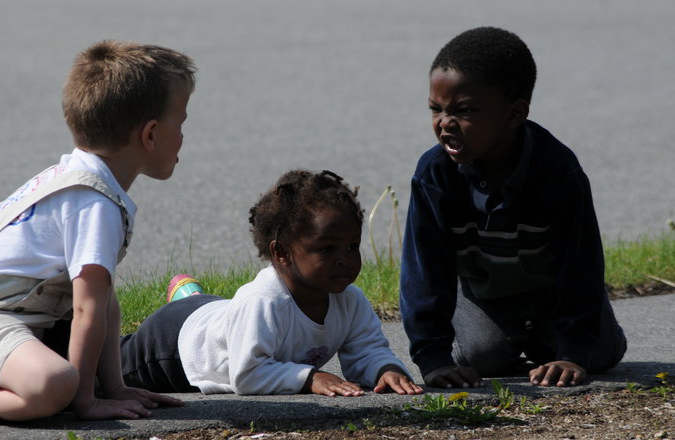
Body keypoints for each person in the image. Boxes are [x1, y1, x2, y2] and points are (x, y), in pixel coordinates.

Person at [400, 27, 627, 390]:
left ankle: (551, 339)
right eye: (436, 109)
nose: (444, 124)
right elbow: (423, 270)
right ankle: (527, 338)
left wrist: (573, 351)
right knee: (482, 356)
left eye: (465, 110)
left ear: (515, 113)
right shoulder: (435, 174)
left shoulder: (557, 170)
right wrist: (433, 358)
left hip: (551, 295)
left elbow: (581, 264)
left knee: (597, 354)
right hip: (484, 293)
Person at [0, 40, 196, 421]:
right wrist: (85, 400)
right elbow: (86, 310)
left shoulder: (79, 177)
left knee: (68, 372)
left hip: (13, 315)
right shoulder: (95, 204)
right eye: (182, 122)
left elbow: (103, 302)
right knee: (55, 384)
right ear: (150, 134)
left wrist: (114, 386)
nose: (184, 135)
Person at [121, 169, 424, 397]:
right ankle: (184, 301)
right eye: (327, 249)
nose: (344, 259)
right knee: (106, 367)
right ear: (281, 253)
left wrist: (385, 369)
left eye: (352, 246)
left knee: (224, 313)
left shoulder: (350, 300)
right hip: (172, 348)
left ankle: (190, 295)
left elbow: (366, 350)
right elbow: (247, 374)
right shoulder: (263, 301)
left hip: (217, 312)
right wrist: (309, 378)